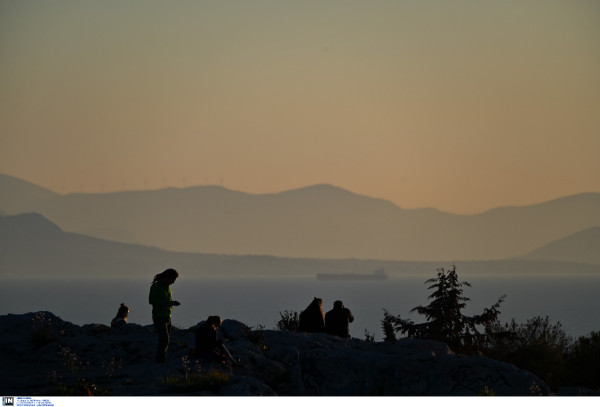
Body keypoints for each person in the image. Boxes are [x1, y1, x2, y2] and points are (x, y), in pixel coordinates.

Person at [148, 268, 181, 363]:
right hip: (158, 316)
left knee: (166, 339)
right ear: (167, 277)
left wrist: (172, 303)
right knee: (164, 339)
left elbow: (167, 300)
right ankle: (159, 359)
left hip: (167, 316)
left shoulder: (167, 288)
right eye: (173, 280)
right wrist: (168, 303)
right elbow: (152, 300)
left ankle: (162, 358)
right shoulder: (156, 286)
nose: (173, 282)